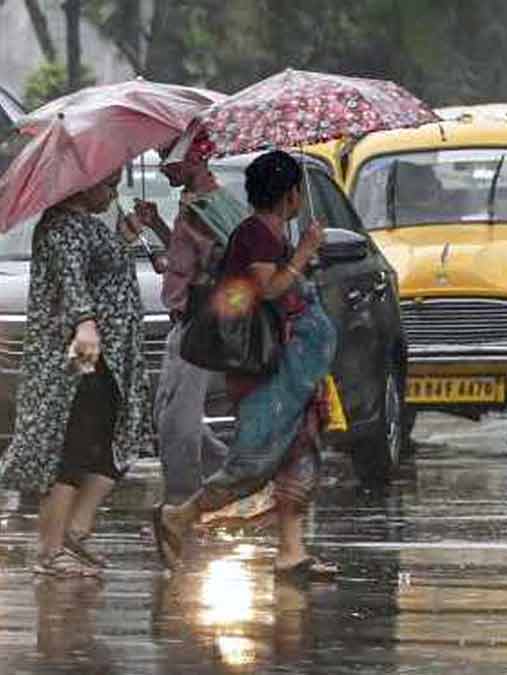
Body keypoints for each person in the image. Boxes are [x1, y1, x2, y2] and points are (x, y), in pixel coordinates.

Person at [154, 151, 339, 580]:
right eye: (297, 191)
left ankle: (292, 552)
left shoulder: (274, 235)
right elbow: (269, 289)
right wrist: (304, 252)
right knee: (253, 462)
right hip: (265, 370)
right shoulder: (254, 235)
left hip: (293, 371)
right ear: (290, 195)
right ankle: (178, 516)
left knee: (299, 454)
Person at [0, 172, 154, 576]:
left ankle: (75, 532)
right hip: (80, 354)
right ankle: (51, 550)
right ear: (82, 184)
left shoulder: (85, 225)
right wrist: (85, 323)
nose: (113, 194)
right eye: (107, 185)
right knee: (74, 442)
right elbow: (71, 282)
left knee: (112, 437)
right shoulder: (61, 227)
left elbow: (99, 272)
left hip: (108, 356)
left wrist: (125, 237)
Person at [134, 125, 248, 504]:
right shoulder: (194, 205)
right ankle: (233, 477)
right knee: (166, 412)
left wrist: (200, 277)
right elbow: (186, 258)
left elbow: (225, 264)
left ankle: (182, 500)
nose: (163, 168)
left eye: (168, 159)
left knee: (176, 421)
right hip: (183, 324)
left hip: (199, 326)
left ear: (195, 158)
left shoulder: (208, 208)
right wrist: (156, 226)